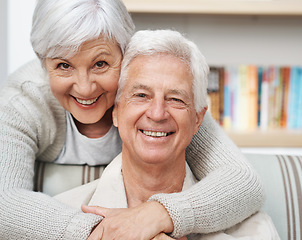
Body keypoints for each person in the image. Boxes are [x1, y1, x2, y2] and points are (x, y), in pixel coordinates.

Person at [0, 0, 264, 239]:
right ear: (42, 62)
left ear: (124, 53)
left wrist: (156, 216)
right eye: (63, 66)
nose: (84, 88)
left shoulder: (157, 95)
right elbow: (4, 201)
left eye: (100, 64)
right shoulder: (23, 101)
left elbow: (243, 180)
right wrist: (105, 233)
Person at [55, 29, 279, 240]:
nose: (157, 113)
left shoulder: (253, 229)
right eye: (141, 95)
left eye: (176, 99)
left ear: (198, 120)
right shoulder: (65, 215)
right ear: (116, 111)